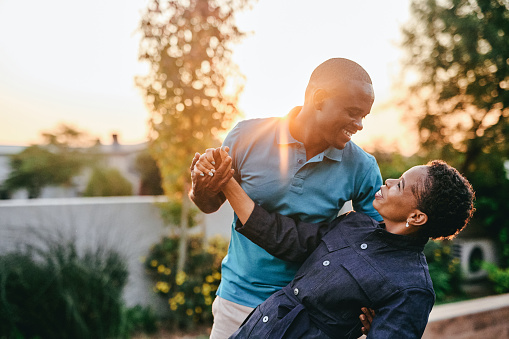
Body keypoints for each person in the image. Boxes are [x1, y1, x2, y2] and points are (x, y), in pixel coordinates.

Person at [189, 58, 383, 338]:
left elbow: (379, 246)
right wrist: (201, 185)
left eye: (364, 115)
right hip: (237, 303)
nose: (360, 124)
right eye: (353, 112)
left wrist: (377, 302)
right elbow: (208, 204)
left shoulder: (362, 167)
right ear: (318, 99)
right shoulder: (247, 136)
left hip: (308, 311)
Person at [193, 150, 475, 338]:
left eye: (400, 184)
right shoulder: (354, 224)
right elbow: (287, 237)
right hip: (259, 328)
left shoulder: (412, 287)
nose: (388, 181)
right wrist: (227, 181)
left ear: (416, 216)